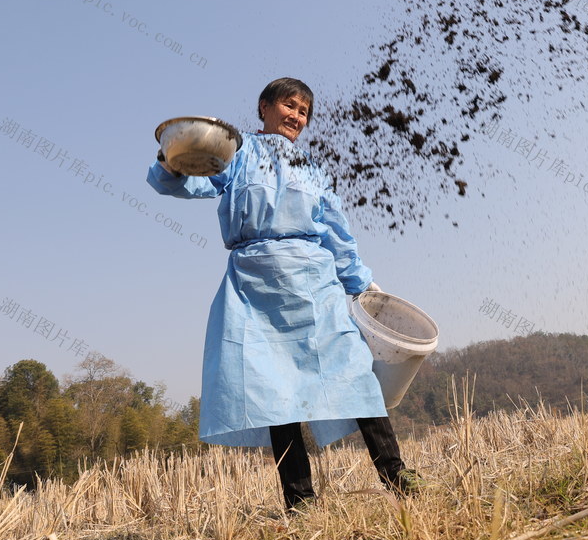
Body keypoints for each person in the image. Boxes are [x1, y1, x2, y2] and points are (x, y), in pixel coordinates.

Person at [147, 78, 423, 511]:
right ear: (264, 107)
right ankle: (300, 501)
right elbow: (181, 182)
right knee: (274, 393)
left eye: (304, 112)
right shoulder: (236, 154)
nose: (296, 116)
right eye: (289, 105)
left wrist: (361, 282)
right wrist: (173, 158)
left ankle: (397, 475)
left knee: (355, 372)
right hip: (255, 287)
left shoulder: (313, 169)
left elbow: (335, 230)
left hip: (314, 283)